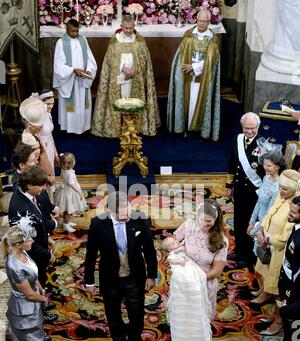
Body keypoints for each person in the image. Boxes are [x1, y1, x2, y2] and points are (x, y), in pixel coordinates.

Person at [84, 191, 157, 341]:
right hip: (110, 278)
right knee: (113, 315)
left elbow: (149, 249)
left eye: (128, 213)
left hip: (135, 276)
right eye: (122, 216)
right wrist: (89, 281)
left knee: (137, 313)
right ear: (111, 211)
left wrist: (152, 275)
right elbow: (91, 254)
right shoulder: (98, 224)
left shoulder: (140, 219)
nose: (126, 218)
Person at [8, 166, 57, 341]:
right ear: (29, 185)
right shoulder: (19, 208)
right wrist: (48, 255)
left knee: (40, 286)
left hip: (38, 256)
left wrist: (47, 239)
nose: (43, 188)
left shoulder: (29, 197)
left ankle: (41, 317)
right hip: (29, 261)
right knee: (31, 300)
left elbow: (37, 228)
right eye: (41, 185)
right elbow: (27, 243)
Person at [91, 14, 160, 138]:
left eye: (130, 28)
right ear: (121, 26)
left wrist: (135, 71)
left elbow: (145, 63)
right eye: (126, 28)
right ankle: (118, 129)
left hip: (135, 79)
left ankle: (134, 128)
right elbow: (108, 63)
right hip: (118, 79)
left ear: (134, 26)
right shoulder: (114, 42)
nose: (128, 31)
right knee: (120, 102)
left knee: (132, 102)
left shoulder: (140, 42)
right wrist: (122, 69)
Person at [161, 235, 212, 341]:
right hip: (183, 288)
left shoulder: (183, 246)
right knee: (184, 324)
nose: (177, 243)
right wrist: (181, 259)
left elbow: (186, 249)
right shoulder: (172, 255)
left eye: (176, 241)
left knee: (196, 321)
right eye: (173, 243)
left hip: (197, 283)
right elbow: (177, 262)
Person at [253, 170, 300, 336]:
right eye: (280, 187)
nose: (280, 191)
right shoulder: (282, 197)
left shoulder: (295, 206)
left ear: (294, 190)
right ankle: (274, 315)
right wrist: (260, 231)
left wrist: (268, 239)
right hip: (268, 245)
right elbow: (268, 215)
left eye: (285, 189)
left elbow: (285, 237)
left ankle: (278, 322)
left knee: (279, 292)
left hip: (280, 253)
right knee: (272, 285)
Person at [3, 222, 48, 341]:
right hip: (24, 309)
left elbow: (32, 273)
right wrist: (44, 299)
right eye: (29, 239)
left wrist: (40, 287)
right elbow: (29, 294)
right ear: (19, 244)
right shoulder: (14, 266)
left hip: (30, 302)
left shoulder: (21, 252)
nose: (32, 242)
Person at [167, 10, 221, 141]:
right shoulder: (188, 36)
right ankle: (185, 126)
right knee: (187, 100)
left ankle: (200, 129)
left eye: (205, 21)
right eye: (200, 20)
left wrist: (194, 67)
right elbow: (180, 55)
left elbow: (212, 60)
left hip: (203, 78)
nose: (202, 24)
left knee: (200, 100)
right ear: (196, 20)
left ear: (209, 22)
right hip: (187, 77)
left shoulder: (213, 39)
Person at [174, 199, 228, 319]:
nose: (204, 224)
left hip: (203, 282)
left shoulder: (221, 241)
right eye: (201, 220)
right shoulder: (189, 225)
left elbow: (217, 271)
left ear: (216, 220)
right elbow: (174, 240)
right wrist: (177, 248)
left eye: (208, 221)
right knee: (182, 316)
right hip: (183, 277)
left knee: (199, 319)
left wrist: (195, 279)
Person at [226, 112, 265, 268]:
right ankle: (239, 248)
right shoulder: (237, 139)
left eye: (253, 128)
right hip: (240, 189)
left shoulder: (263, 145)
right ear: (242, 127)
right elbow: (232, 162)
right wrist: (229, 186)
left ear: (258, 127)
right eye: (247, 128)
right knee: (238, 220)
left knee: (251, 223)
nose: (249, 132)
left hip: (254, 192)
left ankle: (248, 254)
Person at [275, 196, 300, 341]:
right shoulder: (297, 230)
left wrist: (288, 309)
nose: (290, 215)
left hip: (297, 308)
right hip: (292, 296)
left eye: (295, 212)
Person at [53, 19, 97, 134]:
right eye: (72, 31)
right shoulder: (61, 43)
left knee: (83, 104)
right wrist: (72, 70)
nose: (75, 34)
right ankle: (70, 128)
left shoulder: (83, 40)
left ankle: (83, 127)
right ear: (67, 29)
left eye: (77, 31)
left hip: (82, 80)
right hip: (70, 81)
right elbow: (58, 65)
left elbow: (91, 59)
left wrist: (88, 70)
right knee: (71, 105)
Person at [247, 147, 286, 264]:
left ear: (278, 167)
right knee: (257, 252)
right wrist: (252, 221)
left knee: (264, 255)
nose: (265, 167)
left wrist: (259, 229)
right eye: (264, 164)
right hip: (259, 221)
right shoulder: (265, 178)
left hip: (267, 225)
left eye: (269, 165)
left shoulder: (279, 186)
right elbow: (259, 201)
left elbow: (270, 211)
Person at [19, 95, 56, 188]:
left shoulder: (33, 134)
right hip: (39, 179)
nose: (41, 126)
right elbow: (34, 167)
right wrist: (47, 178)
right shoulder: (30, 142)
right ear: (30, 124)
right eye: (39, 124)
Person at [54, 152, 87, 233]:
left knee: (67, 209)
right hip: (70, 193)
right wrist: (79, 192)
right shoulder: (70, 174)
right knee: (69, 210)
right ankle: (66, 224)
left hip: (64, 190)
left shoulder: (63, 169)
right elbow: (72, 184)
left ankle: (67, 222)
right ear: (71, 163)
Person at [39, 89, 60, 197]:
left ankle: (51, 194)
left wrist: (56, 153)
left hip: (50, 145)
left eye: (53, 103)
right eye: (48, 104)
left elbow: (50, 135)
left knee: (51, 168)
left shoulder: (48, 113)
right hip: (42, 148)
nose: (51, 106)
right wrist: (44, 154)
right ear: (41, 102)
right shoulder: (39, 117)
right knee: (45, 170)